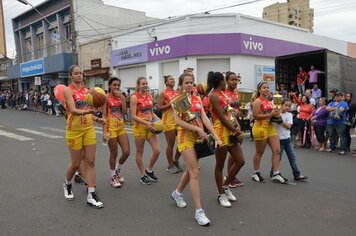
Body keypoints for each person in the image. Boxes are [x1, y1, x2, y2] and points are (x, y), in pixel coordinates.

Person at [170, 73, 222, 226]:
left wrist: (215, 136)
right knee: (194, 172)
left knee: (190, 170)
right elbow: (178, 121)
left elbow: (204, 118)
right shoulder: (177, 100)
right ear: (180, 85)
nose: (189, 85)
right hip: (185, 137)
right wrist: (196, 129)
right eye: (186, 82)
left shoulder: (197, 98)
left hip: (199, 137)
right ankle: (199, 211)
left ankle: (177, 193)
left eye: (191, 82)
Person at [63, 65, 106, 208]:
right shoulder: (68, 91)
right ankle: (67, 183)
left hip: (88, 128)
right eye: (76, 73)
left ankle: (91, 194)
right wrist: (89, 113)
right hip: (74, 130)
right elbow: (74, 110)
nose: (79, 75)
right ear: (70, 76)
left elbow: (89, 112)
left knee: (91, 161)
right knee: (76, 163)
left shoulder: (88, 91)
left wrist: (97, 119)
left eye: (80, 73)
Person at [208, 71, 245, 208]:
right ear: (221, 82)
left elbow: (229, 113)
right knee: (220, 165)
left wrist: (238, 125)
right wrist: (235, 130)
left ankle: (226, 186)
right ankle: (221, 194)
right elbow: (222, 118)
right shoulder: (213, 95)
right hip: (220, 133)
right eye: (225, 81)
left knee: (240, 161)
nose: (228, 83)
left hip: (230, 129)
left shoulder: (223, 94)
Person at [251, 81, 288, 183]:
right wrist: (270, 115)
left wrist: (277, 114)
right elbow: (255, 116)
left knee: (277, 151)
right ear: (259, 90)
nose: (267, 89)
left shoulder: (269, 101)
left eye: (267, 87)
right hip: (260, 127)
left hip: (271, 127)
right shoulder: (257, 101)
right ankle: (256, 172)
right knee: (259, 152)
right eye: (264, 87)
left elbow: (272, 114)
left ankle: (276, 173)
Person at [130, 77, 161, 185]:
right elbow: (133, 116)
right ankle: (142, 175)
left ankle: (149, 170)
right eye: (143, 84)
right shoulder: (134, 98)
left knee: (157, 150)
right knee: (140, 152)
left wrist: (158, 120)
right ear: (138, 85)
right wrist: (146, 123)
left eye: (146, 83)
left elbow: (151, 112)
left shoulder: (150, 96)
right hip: (140, 127)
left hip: (150, 126)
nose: (145, 85)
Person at [102, 77, 130, 188]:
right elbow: (103, 115)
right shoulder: (105, 98)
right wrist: (104, 131)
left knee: (127, 152)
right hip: (110, 127)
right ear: (109, 86)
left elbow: (124, 112)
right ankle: (113, 176)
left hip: (121, 127)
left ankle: (118, 169)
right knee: (114, 153)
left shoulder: (121, 97)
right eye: (114, 85)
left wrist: (122, 98)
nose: (116, 87)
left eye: (118, 85)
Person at [274, 99, 308, 181]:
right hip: (278, 139)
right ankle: (273, 172)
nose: (287, 107)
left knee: (292, 157)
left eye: (289, 106)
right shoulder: (276, 113)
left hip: (287, 139)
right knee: (278, 158)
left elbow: (289, 126)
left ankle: (297, 174)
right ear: (281, 105)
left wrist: (281, 121)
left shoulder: (289, 115)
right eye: (285, 105)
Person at [223, 71, 245, 188]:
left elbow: (241, 110)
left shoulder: (239, 93)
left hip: (237, 123)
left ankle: (231, 176)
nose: (235, 82)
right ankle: (229, 177)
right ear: (226, 81)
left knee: (236, 150)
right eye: (232, 79)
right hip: (227, 124)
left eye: (236, 80)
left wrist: (243, 112)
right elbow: (224, 111)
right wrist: (236, 114)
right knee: (231, 150)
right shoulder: (223, 94)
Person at [157, 75, 182, 174]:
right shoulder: (163, 93)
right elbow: (159, 107)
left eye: (173, 79)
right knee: (170, 144)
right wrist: (170, 104)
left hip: (178, 120)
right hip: (168, 121)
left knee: (181, 141)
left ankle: (175, 160)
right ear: (166, 82)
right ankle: (170, 165)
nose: (173, 80)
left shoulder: (177, 93)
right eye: (171, 79)